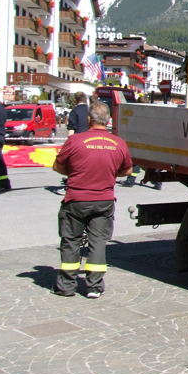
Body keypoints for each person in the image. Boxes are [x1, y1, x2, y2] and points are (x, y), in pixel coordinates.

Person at [51, 103, 132, 298]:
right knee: (98, 243)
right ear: (108, 121)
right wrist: (112, 172)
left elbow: (57, 166)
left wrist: (74, 171)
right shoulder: (118, 143)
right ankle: (94, 286)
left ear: (89, 120)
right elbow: (127, 170)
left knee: (71, 242)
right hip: (104, 200)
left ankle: (67, 286)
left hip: (76, 200)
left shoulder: (75, 141)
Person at [60, 92, 89, 193]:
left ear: (75, 100)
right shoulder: (91, 110)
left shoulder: (74, 111)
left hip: (78, 142)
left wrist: (69, 144)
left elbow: (71, 129)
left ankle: (70, 187)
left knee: (74, 165)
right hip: (91, 140)